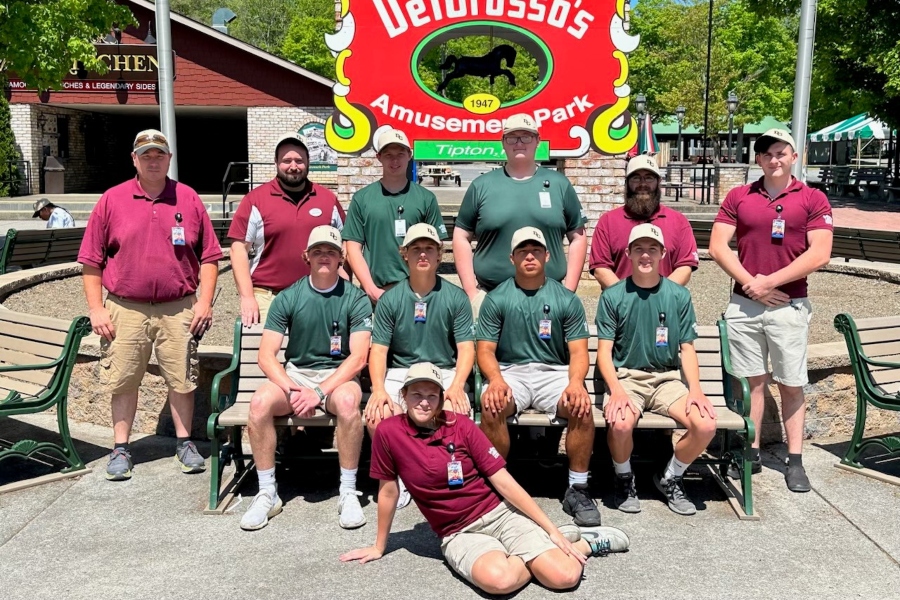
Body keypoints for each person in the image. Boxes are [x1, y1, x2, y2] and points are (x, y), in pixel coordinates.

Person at [340, 363, 629, 595]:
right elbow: (388, 490)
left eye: (432, 395)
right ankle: (543, 550)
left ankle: (583, 544)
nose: (424, 402)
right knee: (499, 582)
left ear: (442, 399)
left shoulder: (461, 425)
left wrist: (550, 527)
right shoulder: (389, 433)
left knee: (564, 576)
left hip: (498, 514)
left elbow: (503, 480)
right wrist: (380, 546)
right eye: (416, 394)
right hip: (458, 532)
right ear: (403, 396)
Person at [77, 129, 222, 481]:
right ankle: (121, 448)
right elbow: (91, 261)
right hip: (125, 308)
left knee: (182, 378)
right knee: (124, 378)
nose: (153, 159)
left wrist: (204, 302)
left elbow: (210, 256)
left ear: (169, 159)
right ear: (134, 159)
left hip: (179, 306)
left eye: (159, 154)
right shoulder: (112, 200)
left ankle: (185, 443)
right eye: (146, 154)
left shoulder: (188, 199)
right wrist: (96, 308)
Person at [709, 128, 833, 493]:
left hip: (789, 306)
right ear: (759, 160)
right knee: (752, 384)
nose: (774, 159)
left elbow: (820, 253)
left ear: (794, 157)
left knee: (791, 384)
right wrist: (754, 285)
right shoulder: (739, 196)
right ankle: (751, 452)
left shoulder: (812, 198)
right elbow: (718, 246)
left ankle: (795, 460)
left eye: (781, 153)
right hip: (745, 306)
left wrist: (770, 282)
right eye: (767, 154)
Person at [239, 226, 373, 531]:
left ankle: (348, 491)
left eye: (331, 251)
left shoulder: (355, 298)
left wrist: (319, 392)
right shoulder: (289, 296)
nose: (324, 257)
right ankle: (266, 492)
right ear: (306, 257)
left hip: (337, 378)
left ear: (341, 258)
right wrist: (295, 389)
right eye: (317, 251)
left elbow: (358, 358)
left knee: (351, 404)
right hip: (296, 376)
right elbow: (266, 355)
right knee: (259, 403)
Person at [477, 227, 600, 527]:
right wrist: (495, 379)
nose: (529, 256)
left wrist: (575, 383)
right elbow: (485, 351)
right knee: (492, 405)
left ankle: (578, 487)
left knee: (581, 407)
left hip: (553, 372)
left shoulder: (565, 299)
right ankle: (498, 486)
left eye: (536, 251)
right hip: (511, 371)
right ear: (512, 257)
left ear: (547, 256)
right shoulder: (497, 298)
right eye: (522, 251)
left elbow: (579, 353)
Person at [596, 223, 717, 516]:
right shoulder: (613, 295)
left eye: (652, 249)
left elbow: (687, 348)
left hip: (667, 379)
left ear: (663, 253)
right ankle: (624, 478)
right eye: (638, 249)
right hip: (627, 377)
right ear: (628, 253)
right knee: (621, 422)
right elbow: (604, 353)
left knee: (705, 425)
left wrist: (697, 391)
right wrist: (616, 390)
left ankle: (670, 477)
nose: (645, 255)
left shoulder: (678, 295)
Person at [366, 223, 476, 508]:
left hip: (443, 370)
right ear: (405, 254)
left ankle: (440, 478)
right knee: (377, 416)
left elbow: (466, 348)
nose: (423, 254)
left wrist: (457, 386)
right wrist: (378, 389)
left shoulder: (456, 297)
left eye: (429, 248)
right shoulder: (390, 299)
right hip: (402, 371)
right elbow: (378, 351)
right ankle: (397, 479)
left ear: (440, 255)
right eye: (416, 248)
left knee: (454, 414)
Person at [453, 113, 587, 316]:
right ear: (503, 143)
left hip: (549, 300)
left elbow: (578, 237)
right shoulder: (482, 186)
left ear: (537, 141)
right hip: (491, 299)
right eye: (512, 137)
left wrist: (568, 292)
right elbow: (461, 236)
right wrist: (472, 292)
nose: (519, 143)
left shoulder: (559, 184)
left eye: (526, 136)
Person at [227, 132, 346, 326]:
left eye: (299, 160)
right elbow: (238, 249)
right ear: (276, 162)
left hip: (319, 296)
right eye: (287, 160)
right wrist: (247, 297)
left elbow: (346, 243)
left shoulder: (327, 199)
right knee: (266, 354)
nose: (293, 166)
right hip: (268, 298)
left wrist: (343, 282)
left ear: (308, 161)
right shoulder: (255, 200)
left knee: (317, 354)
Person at [343, 128, 447, 303]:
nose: (395, 160)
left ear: (409, 154)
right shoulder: (362, 199)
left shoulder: (426, 198)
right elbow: (352, 248)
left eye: (400, 153)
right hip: (375, 294)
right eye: (388, 154)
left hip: (417, 295)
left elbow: (437, 248)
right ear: (379, 157)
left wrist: (423, 287)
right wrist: (370, 289)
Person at [590, 155, 698, 289]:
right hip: (621, 306)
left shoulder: (679, 222)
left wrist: (661, 297)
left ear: (659, 181)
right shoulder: (608, 222)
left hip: (664, 305)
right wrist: (624, 299)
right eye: (636, 178)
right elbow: (601, 268)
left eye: (649, 177)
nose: (642, 184)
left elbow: (684, 267)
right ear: (627, 182)